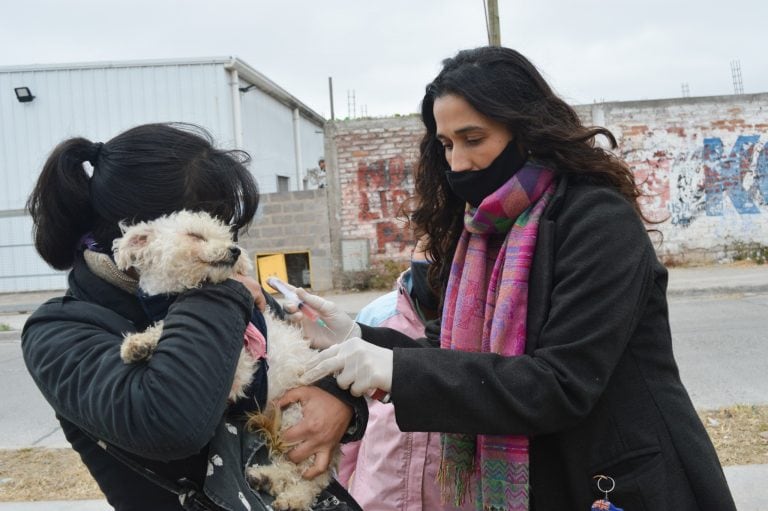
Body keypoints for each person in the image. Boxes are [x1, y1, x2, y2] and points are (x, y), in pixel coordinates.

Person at [290, 47, 738, 510]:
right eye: (446, 145)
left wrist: (395, 371)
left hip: (615, 485)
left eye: (473, 138)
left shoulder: (597, 221)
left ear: (526, 131)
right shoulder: (485, 231)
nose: (457, 162)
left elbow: (560, 382)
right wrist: (357, 337)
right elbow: (454, 353)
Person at [21, 123, 366, 511]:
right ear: (147, 234)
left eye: (228, 231)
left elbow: (298, 354)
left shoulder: (226, 286)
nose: (229, 249)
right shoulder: (59, 333)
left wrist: (340, 402)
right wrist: (217, 289)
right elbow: (173, 421)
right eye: (204, 234)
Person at [337, 244, 474, 511]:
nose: (433, 254)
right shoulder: (378, 317)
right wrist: (335, 490)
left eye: (447, 242)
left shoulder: (479, 321)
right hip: (378, 498)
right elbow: (349, 415)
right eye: (426, 243)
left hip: (453, 500)